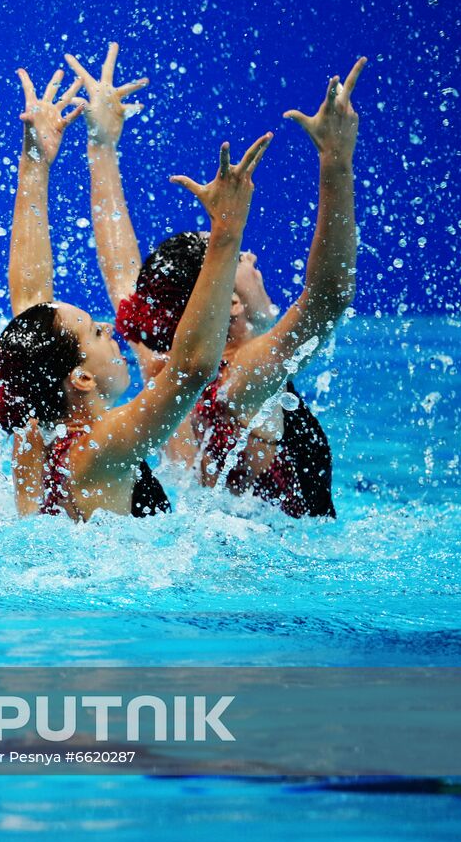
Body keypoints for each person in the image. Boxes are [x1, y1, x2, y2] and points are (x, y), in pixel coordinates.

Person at [0, 64, 272, 519]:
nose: (110, 327)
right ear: (80, 378)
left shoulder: (34, 426)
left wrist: (39, 163)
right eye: (96, 334)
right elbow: (192, 370)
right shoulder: (102, 444)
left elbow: (34, 304)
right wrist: (226, 233)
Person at [113, 58, 366, 517]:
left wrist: (102, 149)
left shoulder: (165, 370)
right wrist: (336, 162)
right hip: (288, 574)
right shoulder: (243, 376)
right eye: (235, 259)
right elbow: (328, 296)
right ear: (227, 302)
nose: (248, 257)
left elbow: (125, 273)